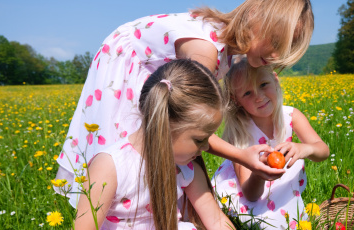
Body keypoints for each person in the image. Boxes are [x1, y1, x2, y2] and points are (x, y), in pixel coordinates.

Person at [16, 59, 277, 230]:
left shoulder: (186, 164)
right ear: (163, 125)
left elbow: (213, 217)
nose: (205, 148)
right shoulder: (111, 164)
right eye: (200, 139)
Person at [55, 0, 315, 207]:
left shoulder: (226, 47)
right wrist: (240, 156)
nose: (279, 55)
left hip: (155, 77)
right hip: (127, 67)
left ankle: (155, 214)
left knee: (164, 140)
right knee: (131, 147)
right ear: (257, 16)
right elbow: (189, 121)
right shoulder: (205, 51)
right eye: (278, 42)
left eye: (289, 47)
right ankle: (115, 215)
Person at [212, 58, 329, 230]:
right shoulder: (240, 132)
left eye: (263, 84)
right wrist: (259, 174)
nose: (258, 96)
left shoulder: (291, 115)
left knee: (287, 220)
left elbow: (323, 151)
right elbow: (251, 194)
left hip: (282, 180)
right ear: (236, 100)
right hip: (252, 185)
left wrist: (304, 148)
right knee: (267, 226)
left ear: (275, 79)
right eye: (248, 93)